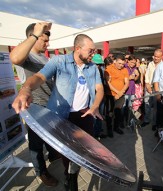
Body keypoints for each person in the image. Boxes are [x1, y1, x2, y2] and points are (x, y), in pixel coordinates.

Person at [12, 33, 104, 191]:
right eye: (90, 50)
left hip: (85, 115)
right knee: (68, 151)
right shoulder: (59, 61)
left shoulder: (92, 67)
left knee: (82, 151)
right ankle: (70, 178)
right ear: (77, 48)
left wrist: (95, 105)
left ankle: (73, 174)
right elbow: (39, 77)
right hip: (62, 116)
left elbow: (99, 88)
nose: (93, 54)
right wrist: (25, 89)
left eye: (94, 51)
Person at [9, 22, 59, 187]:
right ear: (34, 37)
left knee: (50, 136)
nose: (48, 44)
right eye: (44, 40)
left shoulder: (45, 58)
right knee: (36, 144)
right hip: (34, 107)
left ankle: (52, 155)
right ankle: (41, 172)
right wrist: (36, 33)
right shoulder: (27, 55)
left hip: (49, 104)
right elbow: (14, 58)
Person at [104, 55, 129, 136]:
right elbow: (108, 83)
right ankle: (109, 129)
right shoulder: (108, 69)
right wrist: (117, 92)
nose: (121, 65)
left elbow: (127, 82)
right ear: (115, 61)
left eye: (122, 64)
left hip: (121, 95)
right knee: (110, 113)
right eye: (119, 63)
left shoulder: (125, 70)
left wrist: (121, 92)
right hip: (110, 95)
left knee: (118, 112)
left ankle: (116, 127)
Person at [141, 49, 163, 130]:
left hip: (157, 89)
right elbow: (147, 75)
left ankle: (154, 123)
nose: (155, 58)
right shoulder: (150, 64)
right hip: (148, 87)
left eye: (158, 57)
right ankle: (146, 120)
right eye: (155, 56)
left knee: (156, 107)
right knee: (147, 104)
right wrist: (147, 84)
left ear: (161, 57)